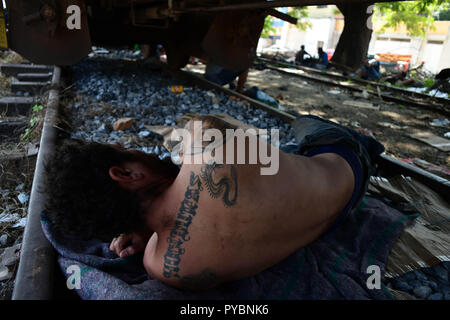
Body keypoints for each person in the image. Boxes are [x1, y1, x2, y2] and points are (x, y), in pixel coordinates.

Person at [44, 114, 384, 291]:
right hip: (345, 166)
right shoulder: (202, 137)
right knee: (306, 128)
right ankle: (358, 142)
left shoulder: (160, 266)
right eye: (127, 152)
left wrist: (142, 229)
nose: (140, 151)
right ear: (126, 174)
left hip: (338, 213)